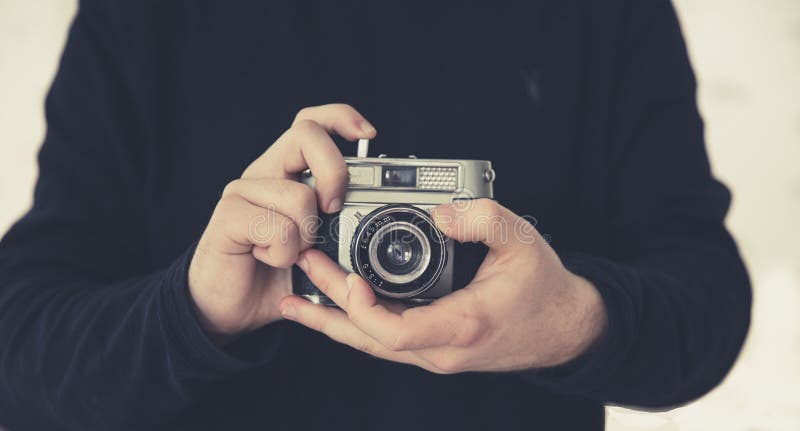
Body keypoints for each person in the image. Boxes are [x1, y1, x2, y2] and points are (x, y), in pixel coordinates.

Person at [0, 1, 751, 430]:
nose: (397, 244)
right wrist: (192, 311)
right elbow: (19, 343)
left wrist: (571, 321)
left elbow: (707, 300)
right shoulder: (142, 18)